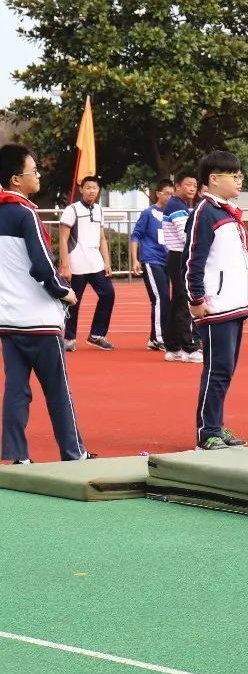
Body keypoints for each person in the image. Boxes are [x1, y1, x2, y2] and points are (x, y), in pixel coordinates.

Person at [0, 146, 95, 464]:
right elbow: (42, 266)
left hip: (9, 319)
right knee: (58, 391)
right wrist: (64, 292)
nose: (38, 175)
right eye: (33, 171)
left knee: (16, 390)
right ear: (16, 179)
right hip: (39, 318)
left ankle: (16, 455)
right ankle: (74, 453)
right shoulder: (26, 213)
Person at [186, 151, 248, 451]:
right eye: (233, 175)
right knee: (217, 369)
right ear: (214, 179)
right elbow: (193, 260)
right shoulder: (205, 212)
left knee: (226, 370)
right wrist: (196, 298)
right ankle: (206, 432)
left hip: (235, 304)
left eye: (240, 174)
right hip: (215, 306)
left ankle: (215, 424)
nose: (240, 180)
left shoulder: (229, 212)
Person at [58, 175, 116, 352]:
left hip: (95, 263)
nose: (92, 191)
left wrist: (107, 261)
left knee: (108, 294)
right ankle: (69, 338)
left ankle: (97, 335)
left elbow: (102, 238)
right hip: (76, 263)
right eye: (88, 187)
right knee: (74, 301)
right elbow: (63, 238)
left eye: (95, 188)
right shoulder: (72, 210)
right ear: (82, 189)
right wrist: (65, 265)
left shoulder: (99, 210)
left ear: (99, 191)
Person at [129, 178, 174, 351]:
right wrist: (135, 259)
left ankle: (154, 337)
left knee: (164, 299)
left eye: (172, 194)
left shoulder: (171, 214)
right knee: (160, 297)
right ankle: (158, 337)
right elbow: (136, 235)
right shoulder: (148, 213)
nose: (169, 197)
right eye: (166, 194)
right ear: (158, 194)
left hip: (166, 261)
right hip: (151, 259)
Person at [162, 173, 202, 363]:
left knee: (177, 301)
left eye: (195, 185)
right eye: (188, 184)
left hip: (176, 256)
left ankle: (173, 347)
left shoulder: (180, 205)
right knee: (183, 302)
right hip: (179, 256)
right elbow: (185, 235)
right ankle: (188, 348)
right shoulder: (177, 206)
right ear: (178, 186)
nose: (192, 188)